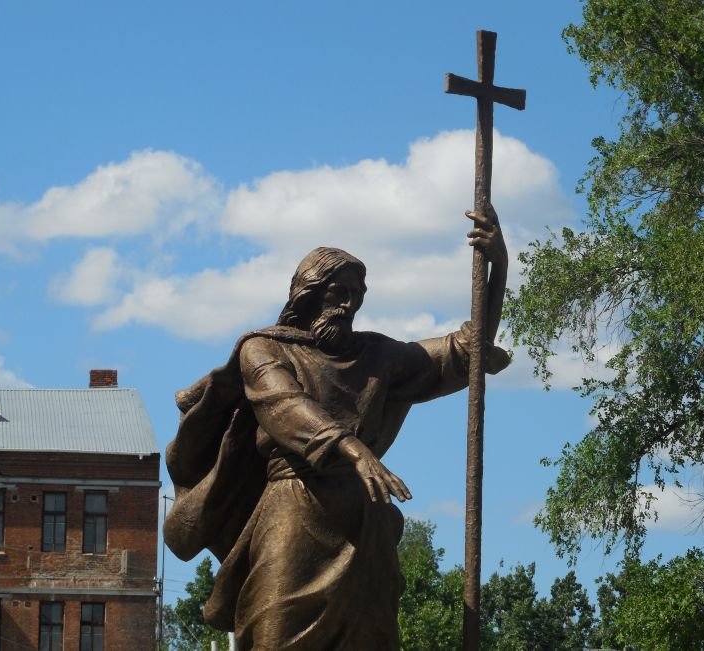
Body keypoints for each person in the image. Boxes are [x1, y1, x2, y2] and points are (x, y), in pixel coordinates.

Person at [163, 205, 510, 650]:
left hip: (363, 524)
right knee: (272, 634)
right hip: (292, 513)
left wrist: (498, 265)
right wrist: (355, 450)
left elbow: (468, 348)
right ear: (308, 293)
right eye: (337, 292)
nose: (348, 305)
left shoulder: (377, 356)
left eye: (357, 294)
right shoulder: (263, 349)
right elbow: (287, 407)